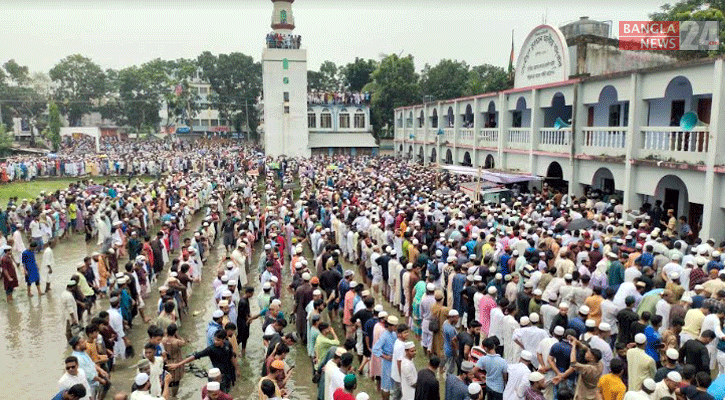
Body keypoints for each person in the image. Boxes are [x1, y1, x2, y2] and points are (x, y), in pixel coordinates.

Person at [168, 330, 240, 392]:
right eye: (215, 339)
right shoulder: (211, 349)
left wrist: (237, 369)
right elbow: (195, 356)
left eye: (218, 340)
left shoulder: (227, 344)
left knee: (228, 391)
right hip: (218, 376)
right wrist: (178, 364)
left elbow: (232, 357)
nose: (215, 342)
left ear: (223, 340)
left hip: (229, 373)